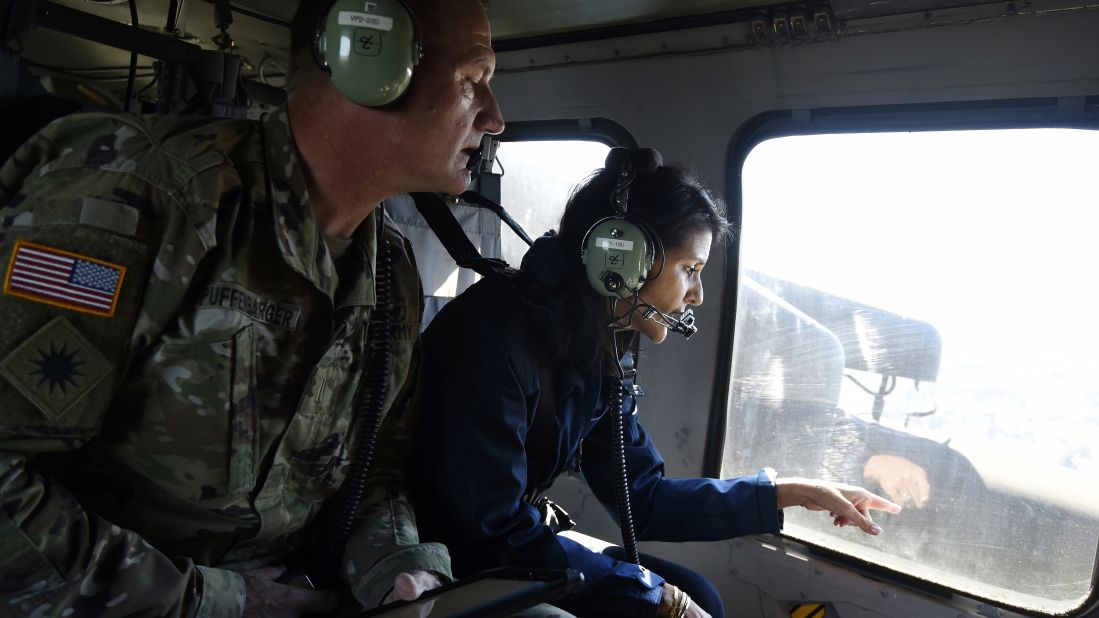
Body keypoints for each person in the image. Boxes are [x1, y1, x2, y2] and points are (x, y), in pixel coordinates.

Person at [0, 0, 503, 616]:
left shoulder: (389, 272)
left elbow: (376, 470)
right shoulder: (141, 194)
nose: (495, 118)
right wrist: (223, 602)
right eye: (473, 81)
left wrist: (397, 571)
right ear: (372, 62)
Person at [410, 149, 901, 618]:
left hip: (507, 540)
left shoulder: (597, 345)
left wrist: (788, 492)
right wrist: (652, 597)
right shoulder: (491, 336)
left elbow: (641, 496)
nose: (699, 295)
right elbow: (487, 531)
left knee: (698, 592)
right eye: (690, 269)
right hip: (447, 552)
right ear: (621, 258)